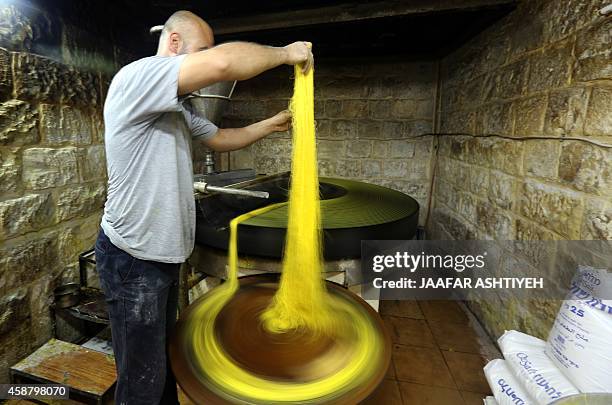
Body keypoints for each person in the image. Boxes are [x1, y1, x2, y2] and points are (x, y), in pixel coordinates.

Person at [95, 10, 314, 405]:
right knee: (141, 380)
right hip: (132, 258)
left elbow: (220, 137)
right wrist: (286, 53)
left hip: (159, 257)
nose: (205, 60)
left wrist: (271, 124)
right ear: (174, 43)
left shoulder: (176, 105)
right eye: (200, 50)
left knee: (161, 364)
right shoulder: (140, 76)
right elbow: (224, 63)